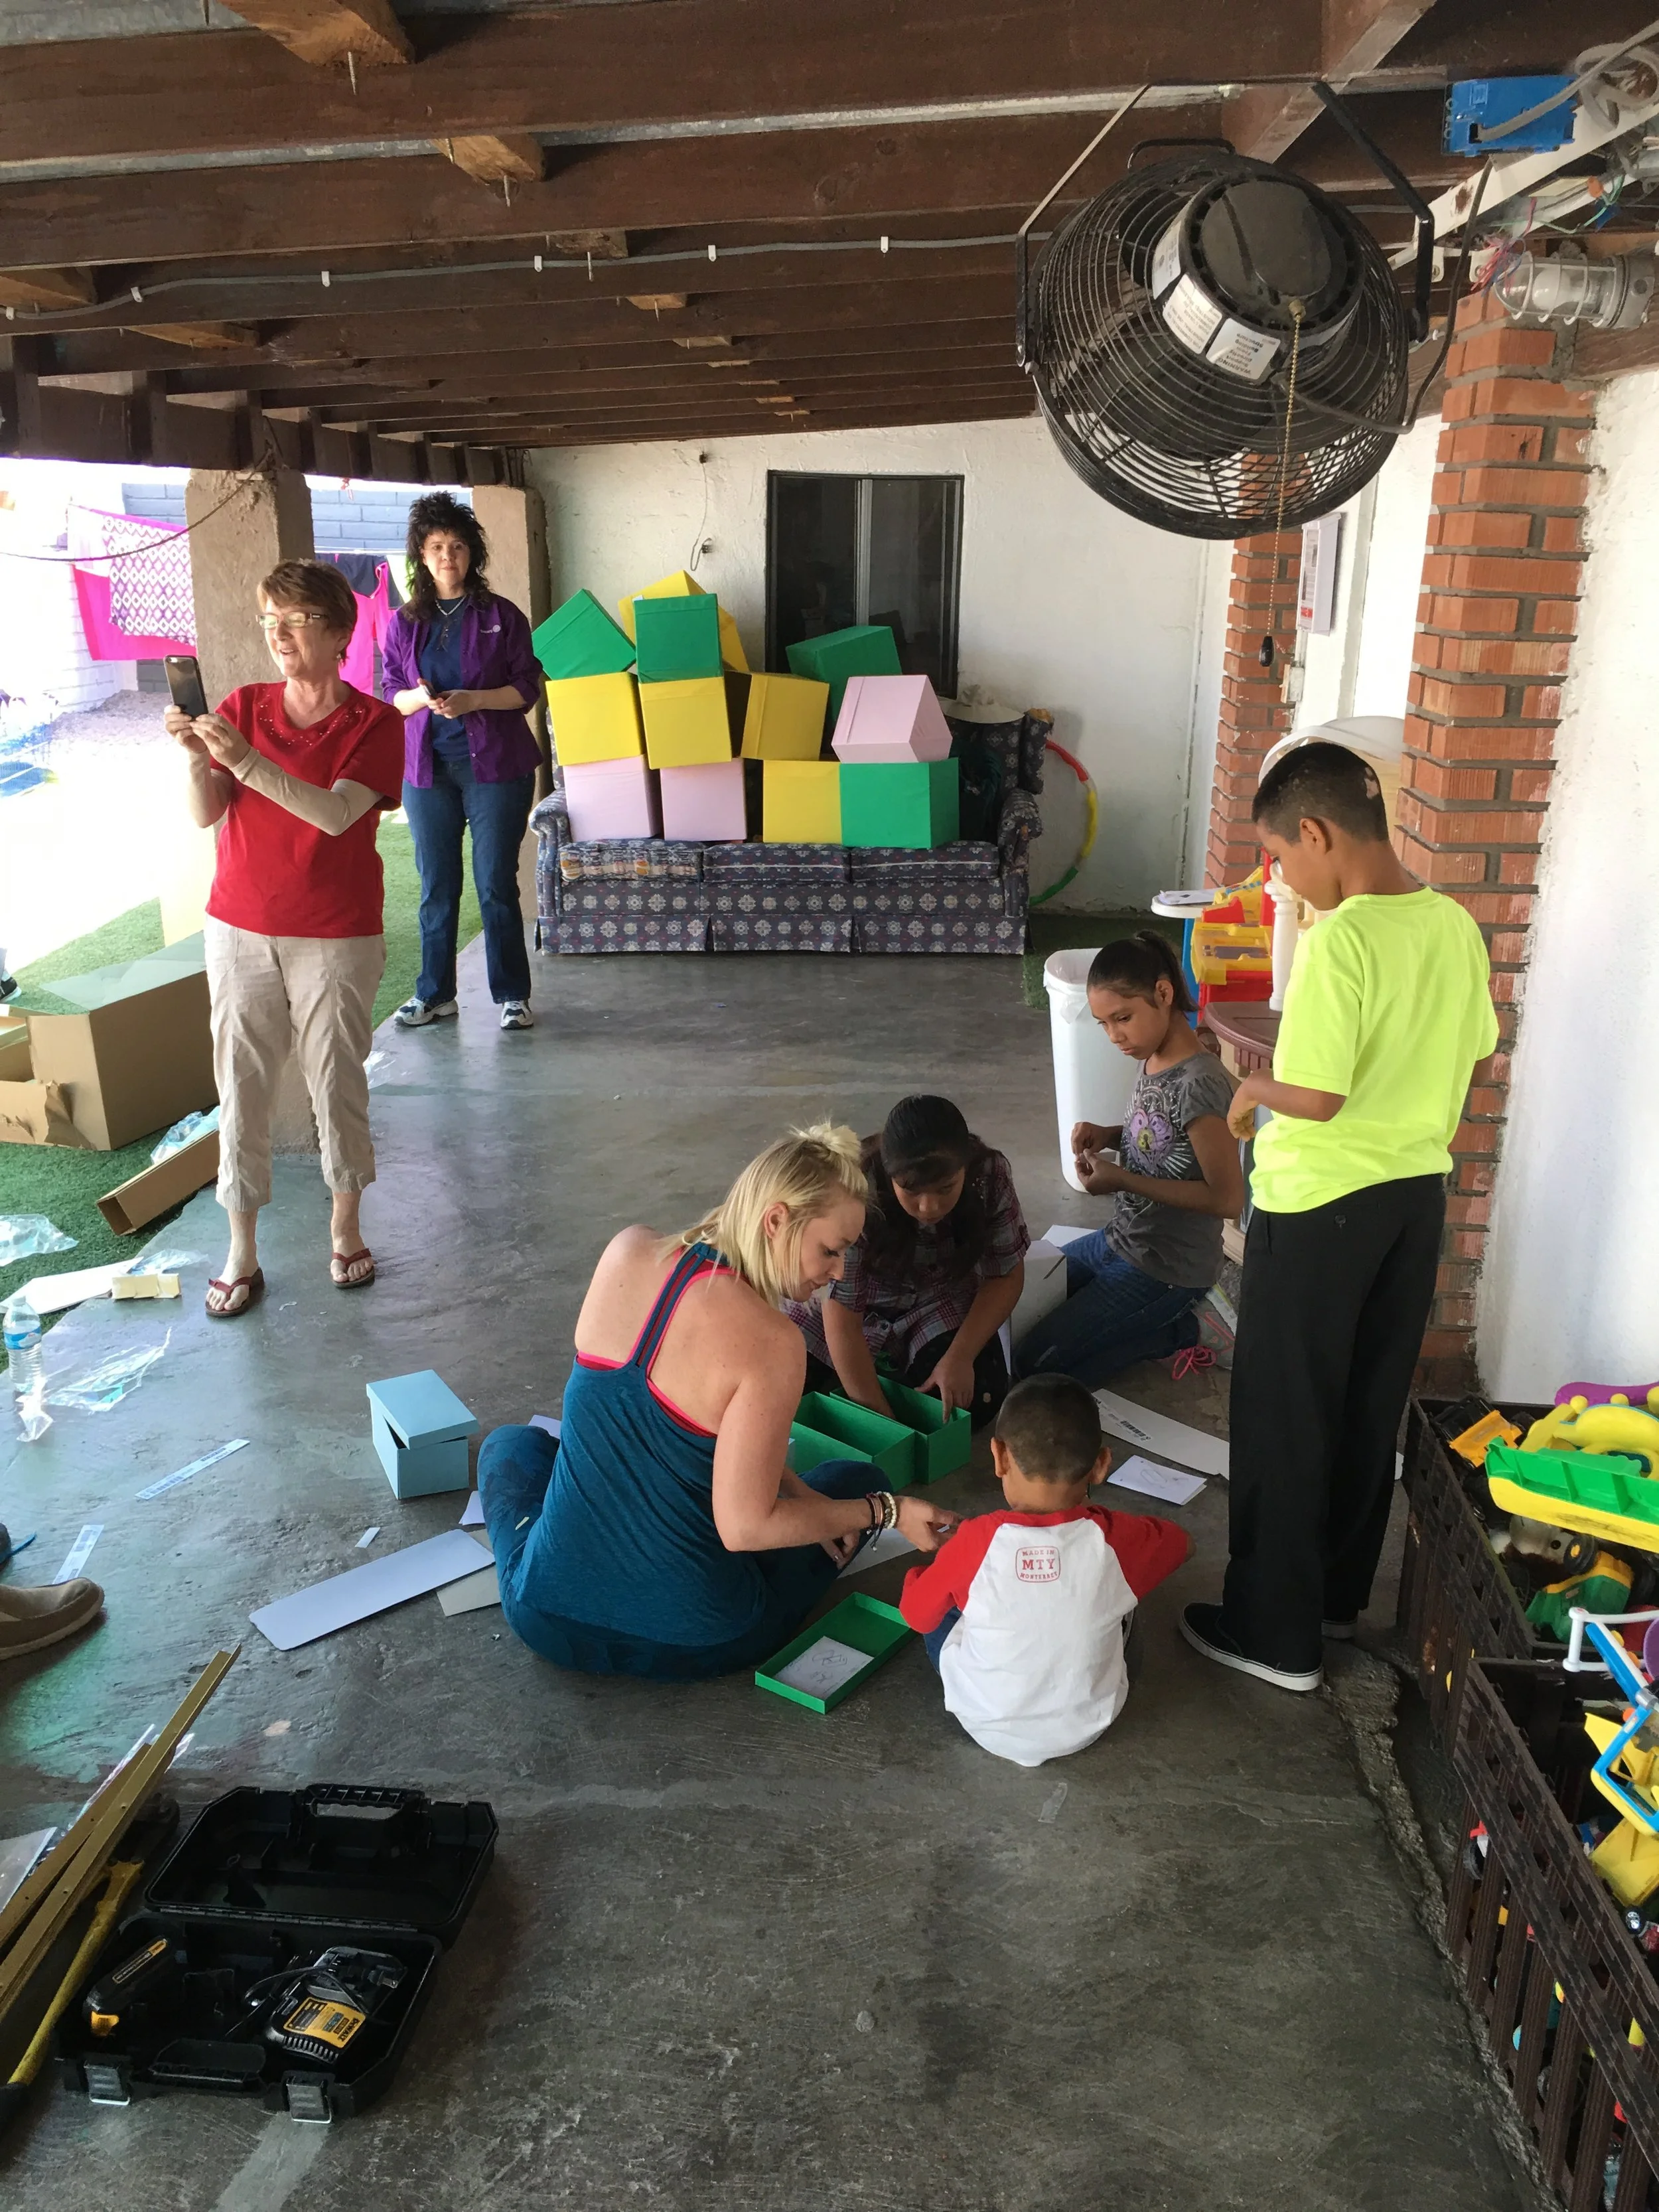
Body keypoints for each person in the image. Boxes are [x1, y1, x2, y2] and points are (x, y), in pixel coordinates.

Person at [1181, 742, 1498, 1694]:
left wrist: (1249, 1091)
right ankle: (1330, 1601)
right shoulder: (1452, 924)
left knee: (1286, 1415)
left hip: (1319, 1205)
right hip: (1413, 1200)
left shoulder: (1342, 939)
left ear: (1316, 834)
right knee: (1365, 1405)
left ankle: (1273, 1634)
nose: (1280, 878)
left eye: (1279, 857)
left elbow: (1314, 1095)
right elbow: (1472, 1047)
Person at [476, 1125, 960, 1680]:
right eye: (831, 1250)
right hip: (700, 1640)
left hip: (545, 1619)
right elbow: (744, 1528)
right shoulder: (774, 1342)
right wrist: (887, 1511)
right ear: (776, 1220)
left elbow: (630, 1417)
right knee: (853, 1482)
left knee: (511, 1444)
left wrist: (796, 1489)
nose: (838, 1273)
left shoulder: (627, 1251)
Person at [166, 559, 405, 1317]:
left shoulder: (375, 723)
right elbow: (208, 813)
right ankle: (241, 1246)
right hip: (238, 922)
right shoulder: (242, 706)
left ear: (340, 633)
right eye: (270, 620)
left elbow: (336, 815)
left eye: (296, 620)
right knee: (239, 1083)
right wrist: (199, 762)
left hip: (336, 932)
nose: (280, 635)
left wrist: (244, 758)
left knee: (336, 1079)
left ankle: (345, 1226)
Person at [899, 1375, 1190, 1765]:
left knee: (944, 1605)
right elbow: (1182, 1545)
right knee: (1124, 1596)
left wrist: (924, 1575)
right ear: (1101, 1465)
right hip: (1089, 1724)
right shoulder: (1114, 1539)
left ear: (999, 1457)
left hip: (985, 1722)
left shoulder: (975, 1541)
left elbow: (915, 1616)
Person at [1017, 934, 1242, 1386]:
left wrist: (1123, 1180)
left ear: (1163, 994)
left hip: (1169, 1270)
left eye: (1122, 1018)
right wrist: (1109, 1135)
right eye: (1103, 1023)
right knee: (1020, 1298)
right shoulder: (1152, 1056)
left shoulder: (1200, 1084)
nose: (1114, 1035)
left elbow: (1227, 1198)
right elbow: (1164, 1143)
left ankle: (1188, 1328)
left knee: (1037, 1364)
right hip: (1120, 1239)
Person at [383, 492, 543, 1034]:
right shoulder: (403, 622)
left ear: (470, 553)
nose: (446, 556)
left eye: (455, 546)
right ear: (421, 557)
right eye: (435, 547)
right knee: (436, 884)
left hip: (496, 767)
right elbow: (389, 691)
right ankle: (435, 994)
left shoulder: (501, 616)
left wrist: (475, 700)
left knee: (496, 881)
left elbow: (528, 687)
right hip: (428, 772)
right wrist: (417, 696)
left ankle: (513, 995)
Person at [786, 1095, 1028, 1429]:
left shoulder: (989, 1175)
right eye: (910, 1190)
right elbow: (842, 1317)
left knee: (975, 1401)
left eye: (946, 1188)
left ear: (965, 1168)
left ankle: (871, 1378)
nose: (929, 1207)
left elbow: (1006, 1275)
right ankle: (870, 1380)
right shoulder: (858, 1190)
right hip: (856, 1308)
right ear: (889, 1175)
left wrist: (959, 1357)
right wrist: (884, 1423)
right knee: (777, 1387)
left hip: (936, 1304)